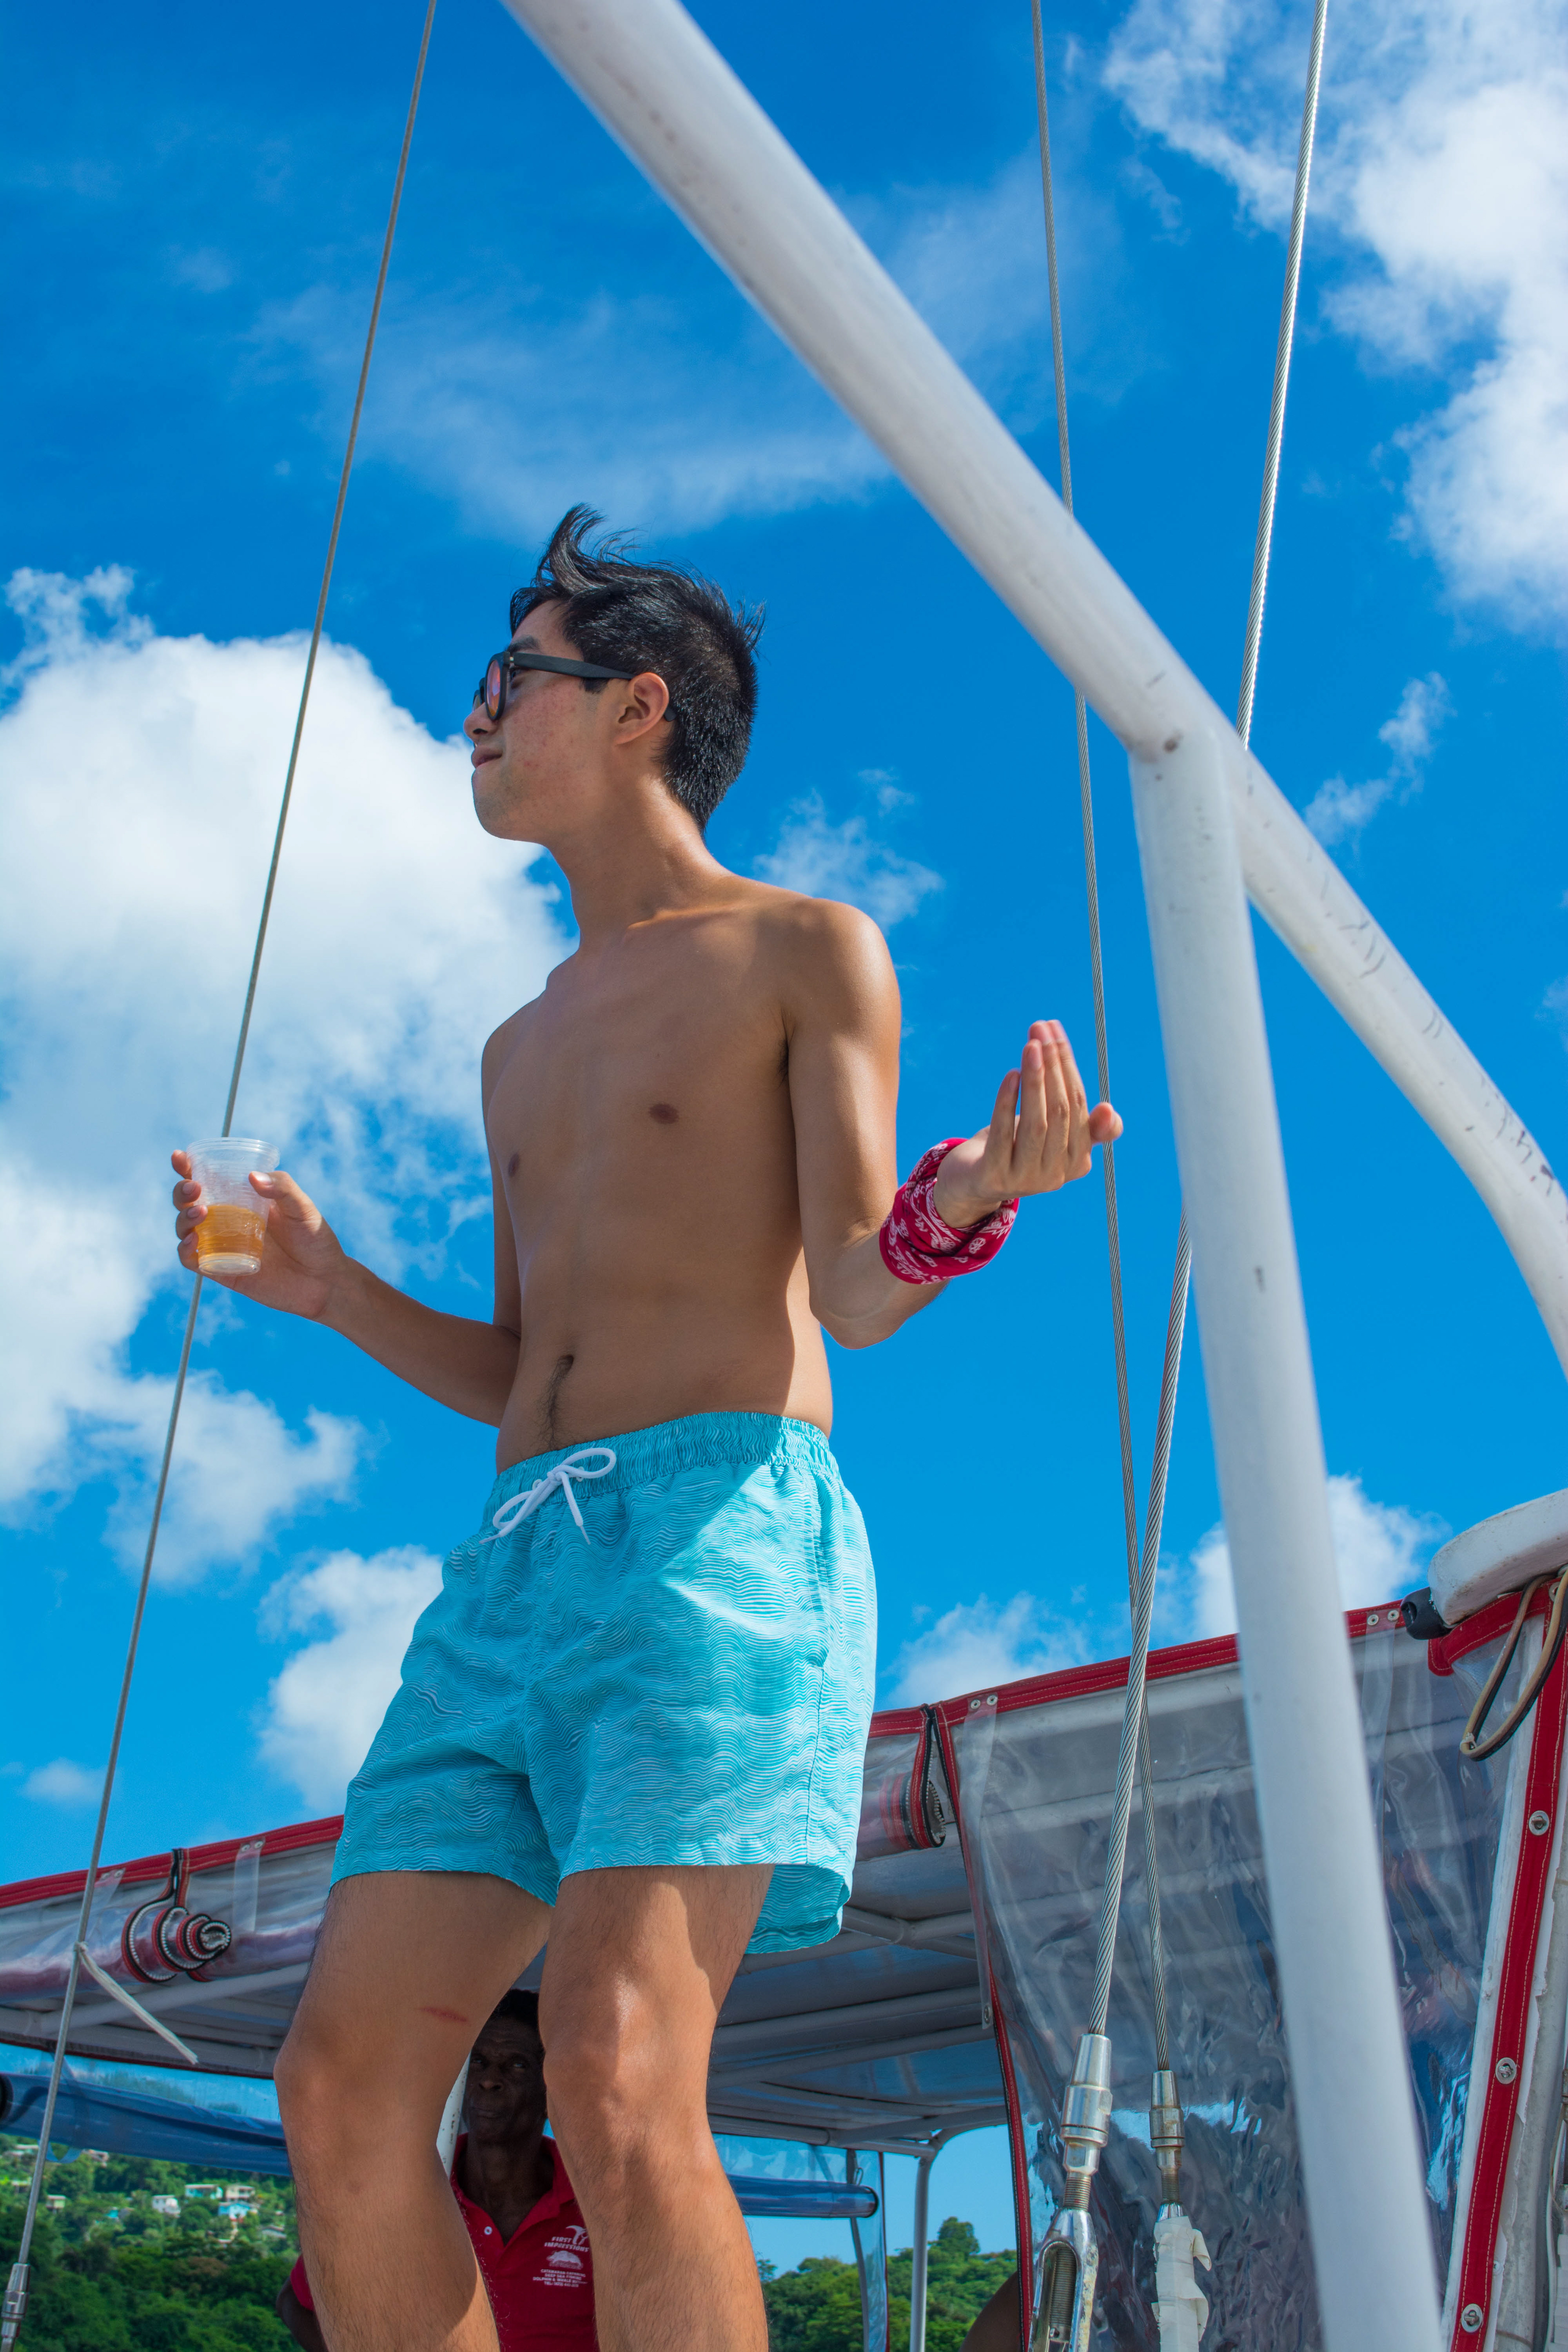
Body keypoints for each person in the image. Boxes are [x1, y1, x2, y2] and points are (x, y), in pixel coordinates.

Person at [172, 508, 1121, 2352]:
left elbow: (849, 1284)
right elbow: (523, 1363)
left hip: (719, 1531)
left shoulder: (806, 948)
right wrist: (334, 1287)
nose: (473, 712)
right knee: (340, 2085)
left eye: (508, 676)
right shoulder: (514, 1046)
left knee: (614, 2063)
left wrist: (972, 1196)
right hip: (513, 1565)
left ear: (635, 706)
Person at [276, 1991, 593, 2352]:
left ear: (552, 2092)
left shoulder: (596, 2204)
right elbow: (297, 2304)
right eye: (478, 2062)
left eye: (517, 2066)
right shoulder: (403, 2191)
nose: (490, 2080)